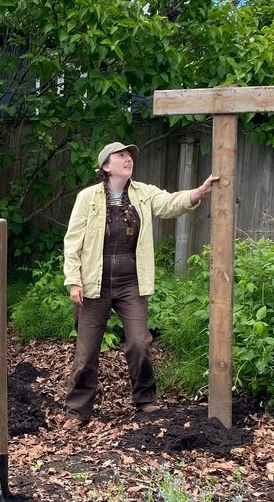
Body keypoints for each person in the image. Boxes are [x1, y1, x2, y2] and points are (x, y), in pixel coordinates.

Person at [62, 141, 219, 428]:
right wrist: (74, 280)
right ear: (106, 166)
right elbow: (73, 241)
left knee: (139, 343)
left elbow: (170, 203)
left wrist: (198, 193)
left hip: (130, 284)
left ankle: (145, 400)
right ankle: (77, 410)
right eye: (120, 155)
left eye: (129, 155)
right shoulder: (88, 198)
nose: (127, 159)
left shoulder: (143, 193)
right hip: (94, 284)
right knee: (86, 353)